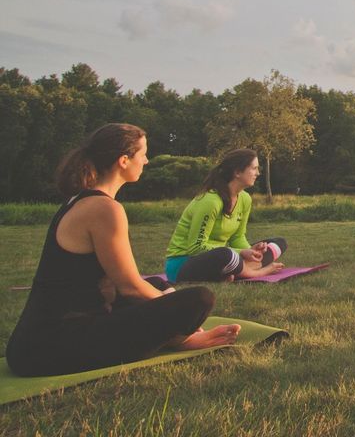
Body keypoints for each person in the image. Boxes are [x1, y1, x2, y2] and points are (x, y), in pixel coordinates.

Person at [5, 124, 239, 377]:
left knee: (157, 286)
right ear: (124, 161)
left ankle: (175, 335)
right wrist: (184, 322)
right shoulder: (105, 209)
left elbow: (115, 285)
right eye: (143, 154)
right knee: (199, 300)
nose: (147, 160)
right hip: (52, 347)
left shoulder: (80, 200)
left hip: (36, 342)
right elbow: (130, 288)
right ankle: (181, 340)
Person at [164, 149, 286, 282]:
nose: (258, 173)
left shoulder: (245, 199)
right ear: (237, 172)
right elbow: (196, 248)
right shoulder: (210, 201)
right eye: (254, 168)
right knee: (226, 255)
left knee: (277, 244)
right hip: (183, 264)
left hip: (222, 258)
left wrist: (251, 252)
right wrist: (240, 252)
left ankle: (234, 270)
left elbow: (237, 237)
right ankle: (254, 272)